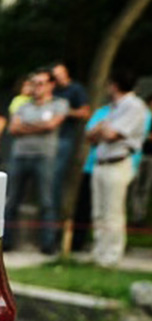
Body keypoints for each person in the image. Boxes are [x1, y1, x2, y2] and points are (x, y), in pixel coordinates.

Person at [86, 70, 150, 267]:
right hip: (101, 162)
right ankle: (98, 252)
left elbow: (113, 134)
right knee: (99, 212)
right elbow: (91, 135)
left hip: (118, 162)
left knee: (113, 213)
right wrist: (101, 129)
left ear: (114, 85)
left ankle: (111, 256)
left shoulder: (134, 106)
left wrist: (102, 128)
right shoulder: (114, 107)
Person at [4, 70, 68, 254]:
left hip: (44, 156)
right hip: (20, 155)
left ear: (50, 85)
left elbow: (51, 125)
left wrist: (26, 127)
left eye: (40, 83)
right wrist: (38, 126)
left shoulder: (59, 104)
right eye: (34, 83)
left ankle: (48, 244)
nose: (36, 87)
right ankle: (6, 241)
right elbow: (13, 128)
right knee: (12, 200)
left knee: (46, 200)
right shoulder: (23, 105)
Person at [51, 62, 91, 216]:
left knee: (57, 177)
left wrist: (64, 112)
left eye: (60, 75)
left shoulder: (75, 89)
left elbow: (85, 113)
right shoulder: (53, 90)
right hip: (48, 139)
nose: (57, 78)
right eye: (55, 76)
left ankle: (58, 217)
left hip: (65, 138)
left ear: (66, 74)